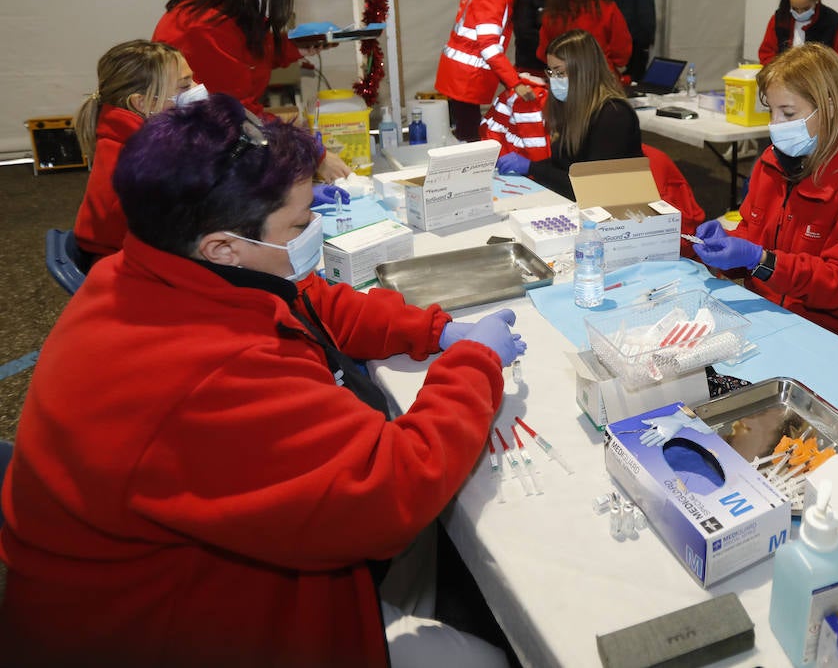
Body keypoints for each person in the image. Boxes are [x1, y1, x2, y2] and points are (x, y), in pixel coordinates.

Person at [0, 95, 524, 668]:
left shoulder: (152, 271)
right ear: (223, 245)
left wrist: (434, 328)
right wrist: (473, 363)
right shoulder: (203, 374)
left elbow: (306, 299)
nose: (312, 233)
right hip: (173, 632)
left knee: (426, 538)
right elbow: (390, 489)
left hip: (186, 584)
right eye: (299, 224)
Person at [691, 43, 838, 337]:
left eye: (787, 113)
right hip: (766, 313)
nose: (775, 125)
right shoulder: (773, 162)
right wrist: (727, 246)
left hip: (829, 332)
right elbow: (755, 234)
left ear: (830, 107)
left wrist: (761, 261)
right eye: (771, 112)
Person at [152, 0, 349, 182]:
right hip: (194, 155)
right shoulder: (205, 26)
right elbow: (241, 112)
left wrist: (296, 47)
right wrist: (316, 153)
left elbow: (248, 50)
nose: (286, 5)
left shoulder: (222, 8)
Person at [72, 40, 196, 265]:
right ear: (141, 103)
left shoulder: (127, 138)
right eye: (184, 86)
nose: (197, 89)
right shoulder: (140, 162)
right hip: (128, 264)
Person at [495, 29, 642, 200]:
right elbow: (564, 165)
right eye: (551, 72)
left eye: (560, 72)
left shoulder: (613, 116)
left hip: (611, 207)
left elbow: (592, 188)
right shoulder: (573, 107)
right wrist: (530, 166)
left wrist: (531, 168)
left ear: (583, 71)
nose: (554, 79)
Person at [436, 0, 542, 142]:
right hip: (466, 78)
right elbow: (490, 47)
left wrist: (511, 78)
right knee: (469, 139)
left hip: (461, 75)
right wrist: (515, 84)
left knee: (466, 133)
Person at [537, 0, 632, 76]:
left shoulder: (553, 11)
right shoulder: (607, 9)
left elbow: (544, 52)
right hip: (599, 77)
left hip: (564, 79)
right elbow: (622, 51)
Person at [612, 0, 656, 82]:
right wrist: (648, 39)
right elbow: (646, 15)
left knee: (624, 79)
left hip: (620, 43)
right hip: (638, 42)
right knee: (637, 78)